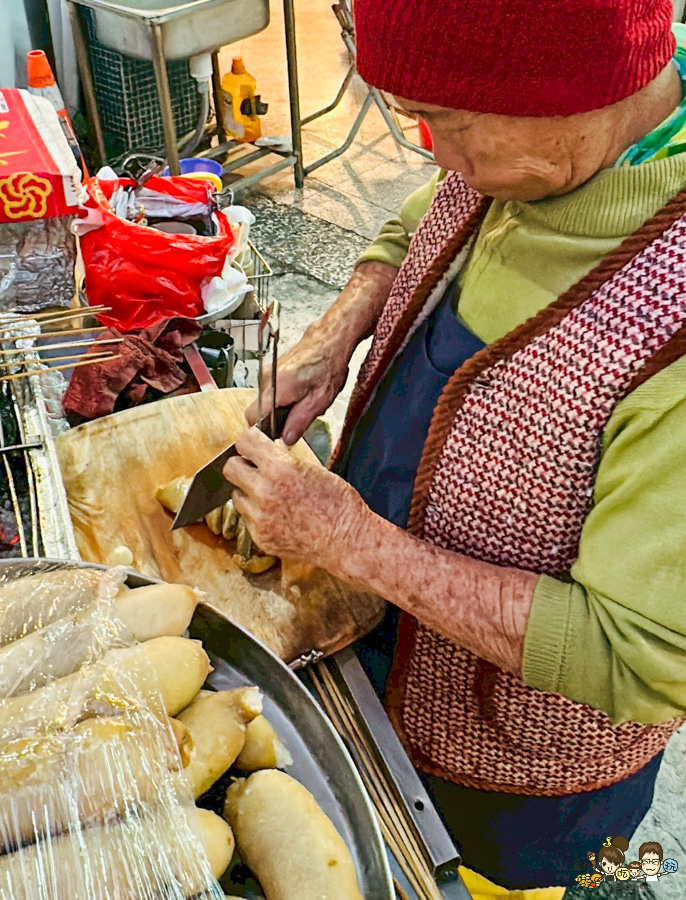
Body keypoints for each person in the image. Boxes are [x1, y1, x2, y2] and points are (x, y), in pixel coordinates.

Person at [224, 0, 686, 896]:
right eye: (413, 119)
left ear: (574, 93)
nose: (435, 153)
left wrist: (354, 543)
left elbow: (642, 657)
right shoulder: (528, 164)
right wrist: (343, 324)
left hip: (513, 780)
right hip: (376, 651)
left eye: (454, 125)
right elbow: (421, 215)